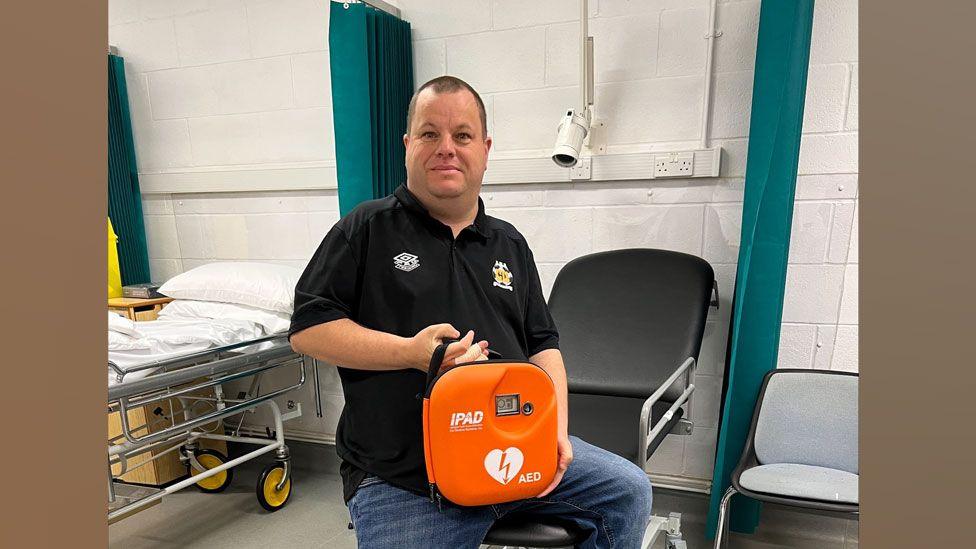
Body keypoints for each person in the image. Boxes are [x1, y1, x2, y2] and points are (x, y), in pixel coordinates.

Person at [289, 75, 652, 548]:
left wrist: (555, 432)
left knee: (628, 491)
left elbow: (544, 345)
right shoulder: (368, 228)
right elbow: (308, 329)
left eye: (462, 135)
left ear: (485, 148)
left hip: (514, 450)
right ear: (407, 145)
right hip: (408, 479)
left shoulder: (509, 243)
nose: (446, 148)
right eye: (429, 134)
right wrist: (411, 353)